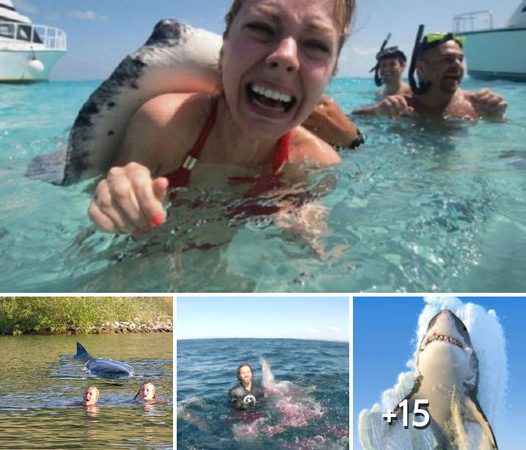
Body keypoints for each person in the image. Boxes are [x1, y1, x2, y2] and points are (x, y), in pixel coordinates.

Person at [88, 0, 356, 235]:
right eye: (262, 28)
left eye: (316, 44)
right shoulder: (165, 126)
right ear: (224, 46)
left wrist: (311, 242)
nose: (285, 57)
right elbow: (104, 217)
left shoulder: (318, 164)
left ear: (331, 73)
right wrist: (117, 197)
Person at [353, 28, 507, 121]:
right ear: (420, 68)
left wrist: (497, 116)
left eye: (460, 59)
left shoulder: (476, 104)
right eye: (447, 59)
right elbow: (354, 117)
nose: (457, 65)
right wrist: (378, 111)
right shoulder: (405, 105)